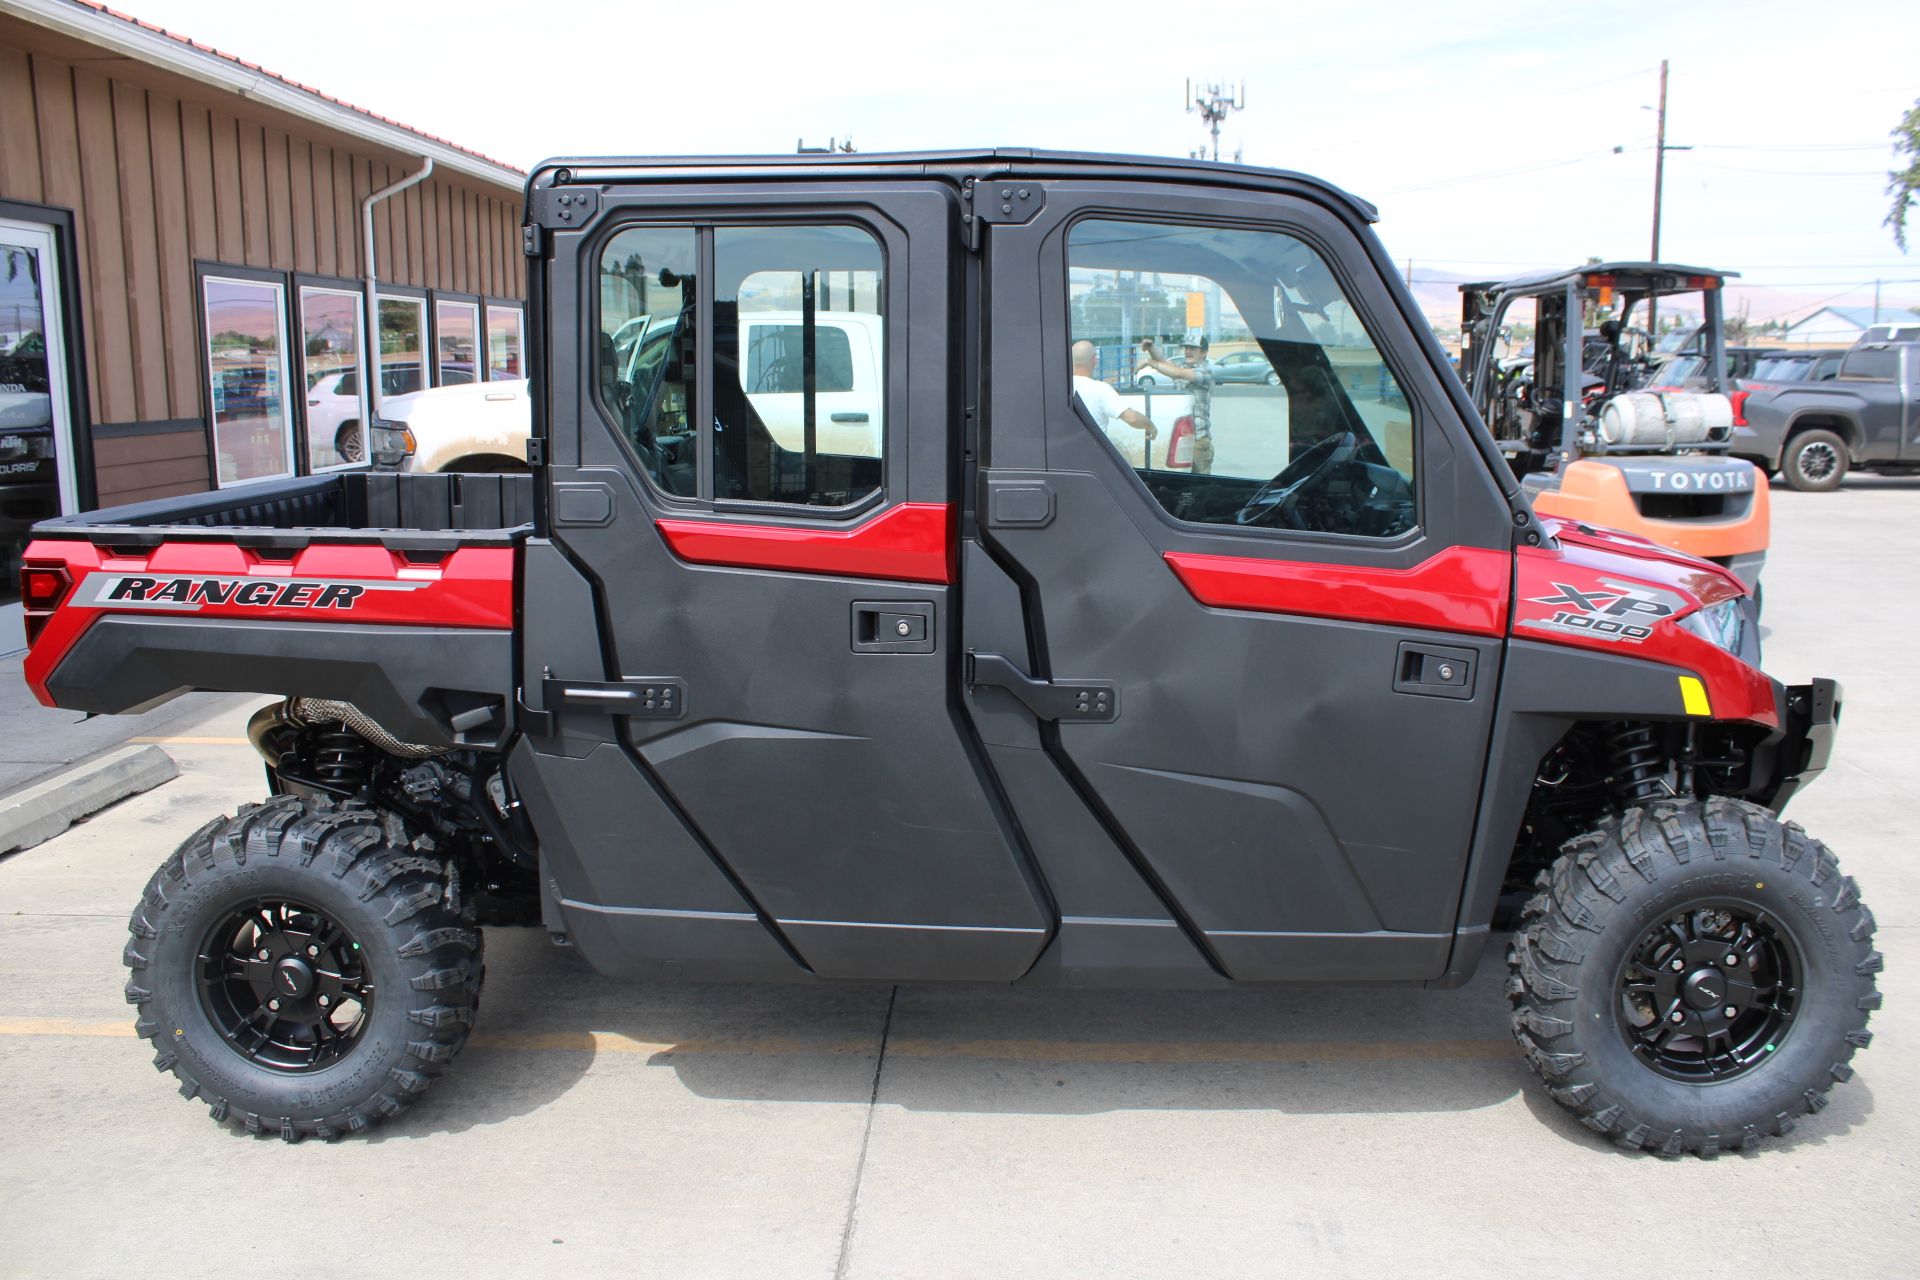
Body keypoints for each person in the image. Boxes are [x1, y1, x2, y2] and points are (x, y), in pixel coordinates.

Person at [1138, 334, 1216, 473]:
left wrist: (1150, 363)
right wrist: (1151, 348)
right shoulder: (1183, 367)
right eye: (1186, 348)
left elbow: (1178, 373)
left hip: (1199, 440)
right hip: (1182, 438)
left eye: (1193, 348)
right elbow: (1164, 361)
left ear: (1203, 352)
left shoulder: (1205, 371)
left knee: (1201, 486)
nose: (1188, 351)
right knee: (1183, 486)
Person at [1071, 340, 1157, 464]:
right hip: (1092, 464)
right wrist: (1150, 425)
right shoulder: (1100, 389)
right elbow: (1132, 418)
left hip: (1065, 462)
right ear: (1094, 360)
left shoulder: (1060, 387)